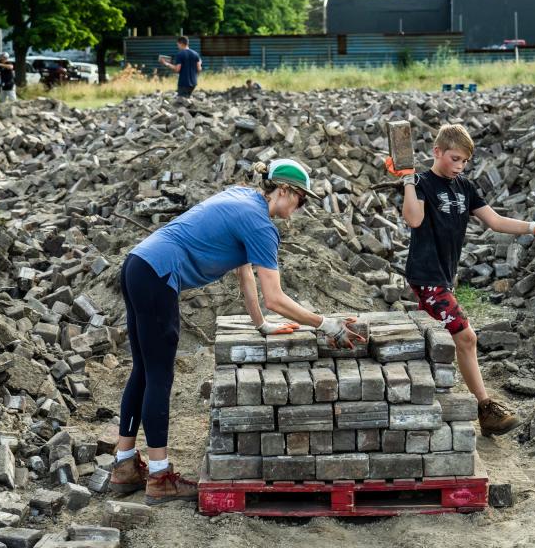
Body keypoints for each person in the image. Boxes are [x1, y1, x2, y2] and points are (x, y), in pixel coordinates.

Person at [111, 158, 363, 504]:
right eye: (300, 200)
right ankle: (159, 477)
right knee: (158, 376)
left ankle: (124, 465)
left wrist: (261, 325)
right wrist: (327, 324)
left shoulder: (243, 199)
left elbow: (245, 273)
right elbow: (275, 297)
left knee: (143, 369)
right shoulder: (260, 225)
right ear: (285, 191)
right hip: (158, 275)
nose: (299, 208)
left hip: (138, 265)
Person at [386, 124, 535, 436]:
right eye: (454, 159)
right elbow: (413, 219)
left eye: (465, 161)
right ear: (437, 152)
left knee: (434, 339)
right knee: (466, 337)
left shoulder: (464, 187)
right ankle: (486, 409)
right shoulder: (423, 182)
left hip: (443, 276)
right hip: (426, 276)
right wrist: (408, 180)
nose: (459, 166)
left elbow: (494, 221)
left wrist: (534, 227)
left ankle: (425, 395)